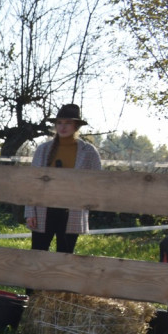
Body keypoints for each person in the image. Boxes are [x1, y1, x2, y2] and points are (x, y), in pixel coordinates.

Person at [24, 103, 102, 254]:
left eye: (68, 123)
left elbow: (97, 183)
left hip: (72, 210)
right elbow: (31, 183)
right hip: (43, 209)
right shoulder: (43, 149)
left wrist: (85, 202)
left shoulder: (88, 152)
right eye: (59, 123)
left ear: (76, 126)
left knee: (66, 255)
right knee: (37, 254)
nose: (62, 127)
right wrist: (30, 212)